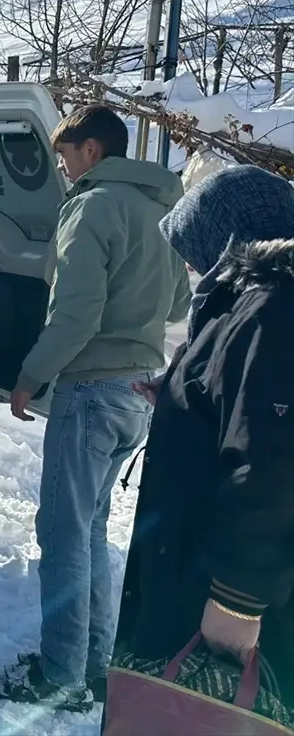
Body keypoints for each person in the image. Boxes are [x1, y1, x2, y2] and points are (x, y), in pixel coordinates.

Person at [0, 105, 192, 712]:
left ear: (92, 151)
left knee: (63, 536)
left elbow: (76, 314)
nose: (63, 169)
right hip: (139, 391)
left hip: (90, 392)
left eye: (65, 156)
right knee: (91, 532)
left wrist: (30, 376)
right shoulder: (162, 211)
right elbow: (178, 307)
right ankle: (97, 667)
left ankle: (59, 676)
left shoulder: (93, 206)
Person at [106, 165, 294, 731]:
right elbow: (242, 400)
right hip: (196, 564)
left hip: (218, 584)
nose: (191, 266)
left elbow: (271, 459)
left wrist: (238, 599)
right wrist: (182, 392)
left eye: (194, 250)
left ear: (229, 233)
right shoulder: (248, 304)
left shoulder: (274, 306)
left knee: (195, 715)